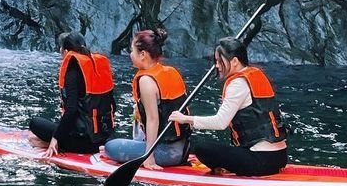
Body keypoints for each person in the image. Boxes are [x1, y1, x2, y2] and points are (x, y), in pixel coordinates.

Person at [169, 35, 287, 175]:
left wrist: (186, 119)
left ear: (235, 61)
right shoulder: (257, 75)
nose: (217, 66)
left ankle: (223, 169)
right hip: (280, 156)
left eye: (220, 61)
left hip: (260, 161)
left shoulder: (238, 84)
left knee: (200, 147)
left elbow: (220, 122)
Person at [101, 28, 190, 168]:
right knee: (119, 145)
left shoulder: (146, 80)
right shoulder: (170, 71)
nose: (130, 54)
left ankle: (144, 153)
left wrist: (149, 157)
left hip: (167, 153)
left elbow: (153, 120)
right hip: (183, 148)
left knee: (109, 147)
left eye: (132, 51)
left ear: (142, 54)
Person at [29, 32, 116, 157]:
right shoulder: (98, 67)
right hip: (105, 139)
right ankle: (53, 142)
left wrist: (55, 139)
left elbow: (71, 110)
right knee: (60, 125)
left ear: (65, 51)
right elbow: (113, 105)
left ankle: (51, 144)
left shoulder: (73, 72)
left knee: (35, 123)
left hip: (84, 142)